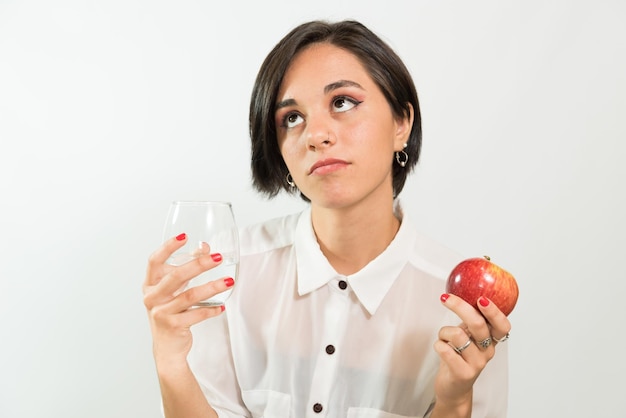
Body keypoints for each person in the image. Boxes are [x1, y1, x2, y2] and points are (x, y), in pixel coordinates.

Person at [143, 19, 512, 418]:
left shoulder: (460, 303)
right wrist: (170, 361)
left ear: (401, 124)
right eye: (292, 118)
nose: (315, 134)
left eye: (342, 102)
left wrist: (455, 401)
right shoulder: (228, 273)